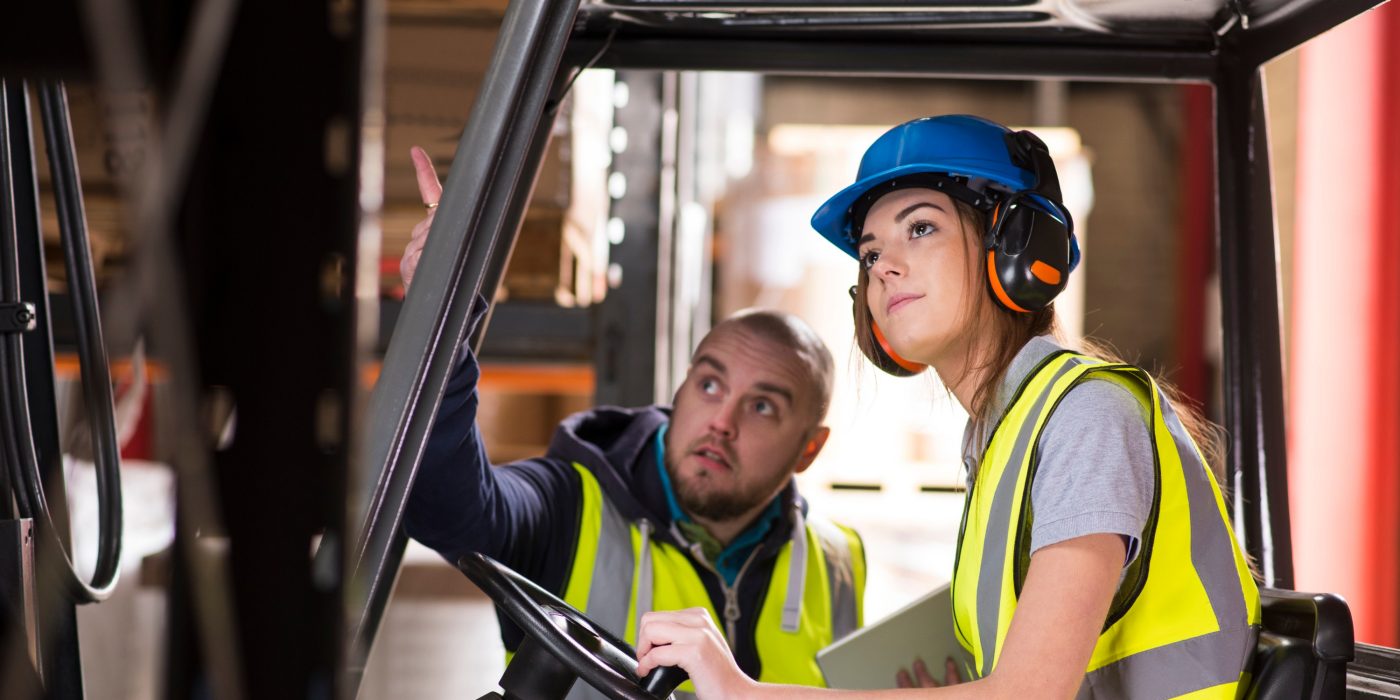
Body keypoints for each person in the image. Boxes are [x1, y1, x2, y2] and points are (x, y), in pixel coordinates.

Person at [633, 115, 1261, 699]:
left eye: (922, 228)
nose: (884, 269)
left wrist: (746, 693)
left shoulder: (1087, 415)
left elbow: (1026, 694)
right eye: (872, 252)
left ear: (1015, 244)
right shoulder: (1005, 435)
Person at [399, 147, 867, 698]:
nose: (722, 421)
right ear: (683, 387)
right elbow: (445, 507)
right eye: (710, 385)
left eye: (762, 406)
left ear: (808, 450)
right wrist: (441, 324)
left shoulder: (838, 559)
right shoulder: (568, 508)